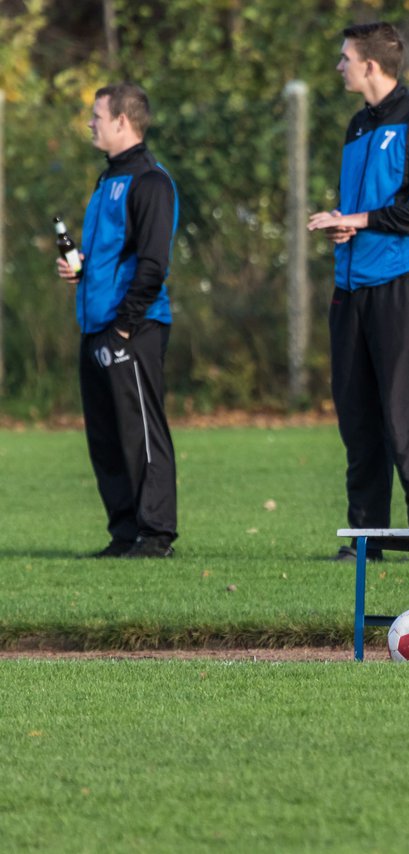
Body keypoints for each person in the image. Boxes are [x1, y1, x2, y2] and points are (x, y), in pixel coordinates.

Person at [307, 21, 409, 561]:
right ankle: (364, 538)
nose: (339, 66)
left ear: (371, 65)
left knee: (407, 413)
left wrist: (364, 219)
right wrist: (348, 225)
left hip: (401, 287)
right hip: (350, 292)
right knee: (357, 415)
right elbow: (368, 211)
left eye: (345, 57)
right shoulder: (356, 126)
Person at [56, 82, 180, 559]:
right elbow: (112, 256)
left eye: (97, 115)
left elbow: (153, 264)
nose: (91, 123)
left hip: (134, 327)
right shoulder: (106, 180)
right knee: (105, 436)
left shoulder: (151, 181)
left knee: (142, 431)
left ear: (122, 122)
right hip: (94, 325)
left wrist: (125, 325)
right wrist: (79, 268)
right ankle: (124, 532)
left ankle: (155, 534)